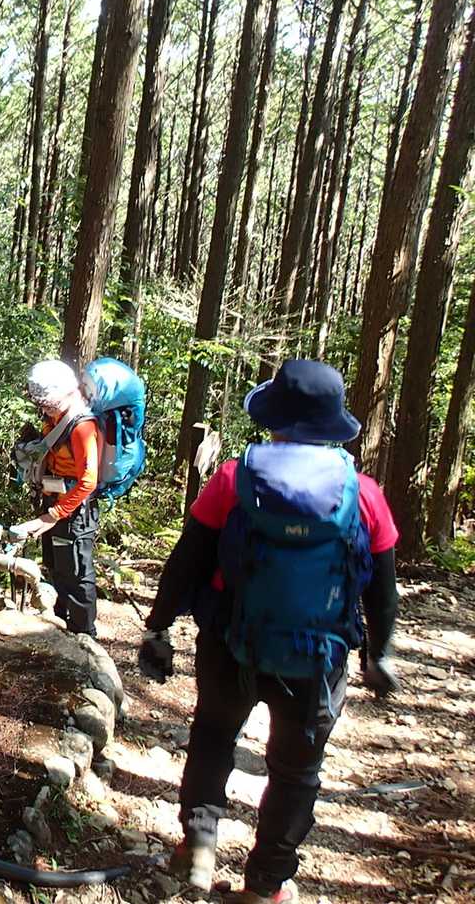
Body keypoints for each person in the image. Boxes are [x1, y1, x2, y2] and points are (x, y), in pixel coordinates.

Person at [138, 360, 401, 904]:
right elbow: (381, 586)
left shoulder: (233, 478)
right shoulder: (364, 492)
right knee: (296, 771)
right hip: (317, 658)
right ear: (332, 424)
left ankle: (199, 844)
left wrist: (158, 628)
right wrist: (380, 654)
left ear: (275, 417)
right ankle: (264, 887)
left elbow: (186, 561)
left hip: (230, 642)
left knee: (214, 736)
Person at [11, 359, 101, 637]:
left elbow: (88, 481)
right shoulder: (55, 420)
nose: (45, 409)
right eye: (42, 405)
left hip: (74, 513)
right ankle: (62, 628)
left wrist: (54, 515)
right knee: (56, 567)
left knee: (76, 574)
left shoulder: (82, 426)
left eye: (49, 403)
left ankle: (85, 636)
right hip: (54, 504)